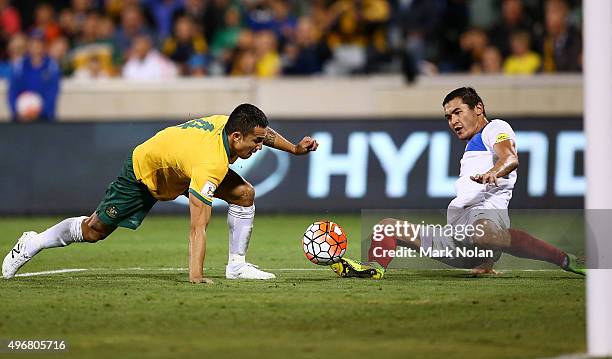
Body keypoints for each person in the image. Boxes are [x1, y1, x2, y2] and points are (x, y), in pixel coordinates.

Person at [2, 104, 319, 283]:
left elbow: (267, 131)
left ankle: (237, 266)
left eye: (261, 141)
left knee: (244, 194)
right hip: (145, 173)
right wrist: (196, 277)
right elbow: (198, 224)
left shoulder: (231, 127)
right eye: (256, 142)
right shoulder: (210, 162)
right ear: (236, 136)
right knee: (94, 230)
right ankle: (32, 242)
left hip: (179, 171)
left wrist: (293, 149)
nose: (260, 147)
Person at [334, 87, 584, 278]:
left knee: (484, 233)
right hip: (459, 236)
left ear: (478, 108)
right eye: (447, 116)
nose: (453, 121)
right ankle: (373, 268)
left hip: (486, 219)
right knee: (386, 227)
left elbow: (510, 158)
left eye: (457, 112)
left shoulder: (495, 128)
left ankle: (567, 260)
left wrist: (494, 172)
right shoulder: (470, 148)